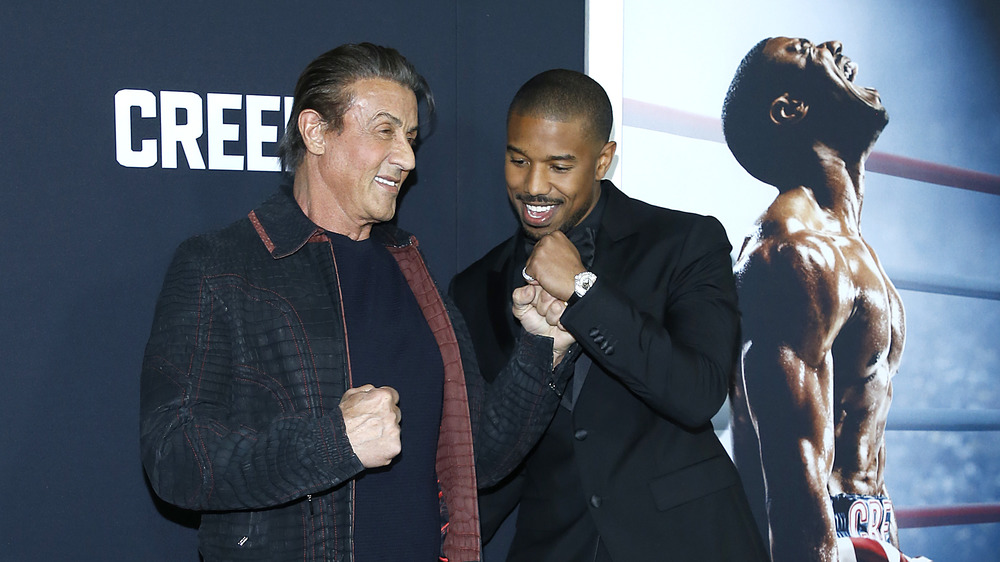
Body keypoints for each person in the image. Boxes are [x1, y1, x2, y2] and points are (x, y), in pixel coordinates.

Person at [140, 43, 574, 562]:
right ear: (316, 132)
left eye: (410, 138)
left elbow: (475, 453)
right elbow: (174, 458)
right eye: (384, 131)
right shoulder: (221, 265)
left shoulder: (411, 267)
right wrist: (333, 442)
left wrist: (542, 347)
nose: (408, 159)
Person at [450, 69, 769, 561]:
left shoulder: (685, 243)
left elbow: (697, 392)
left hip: (689, 541)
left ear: (602, 160)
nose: (533, 186)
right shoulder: (476, 286)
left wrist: (583, 291)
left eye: (559, 167)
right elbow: (495, 451)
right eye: (518, 161)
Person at [723, 37, 930, 562]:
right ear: (790, 109)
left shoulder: (849, 246)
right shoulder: (792, 254)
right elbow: (795, 483)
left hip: (864, 536)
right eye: (805, 51)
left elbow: (858, 461)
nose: (834, 46)